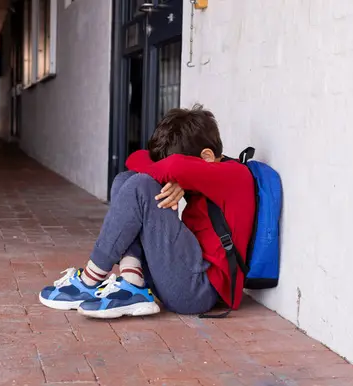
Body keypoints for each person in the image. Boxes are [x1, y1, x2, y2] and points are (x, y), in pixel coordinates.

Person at [39, 104, 255, 318]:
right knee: (126, 180)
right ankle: (131, 283)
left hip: (199, 291)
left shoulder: (235, 175)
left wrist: (180, 177)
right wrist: (183, 179)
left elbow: (172, 168)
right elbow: (136, 158)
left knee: (141, 185)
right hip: (182, 274)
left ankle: (89, 279)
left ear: (206, 157)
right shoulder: (208, 173)